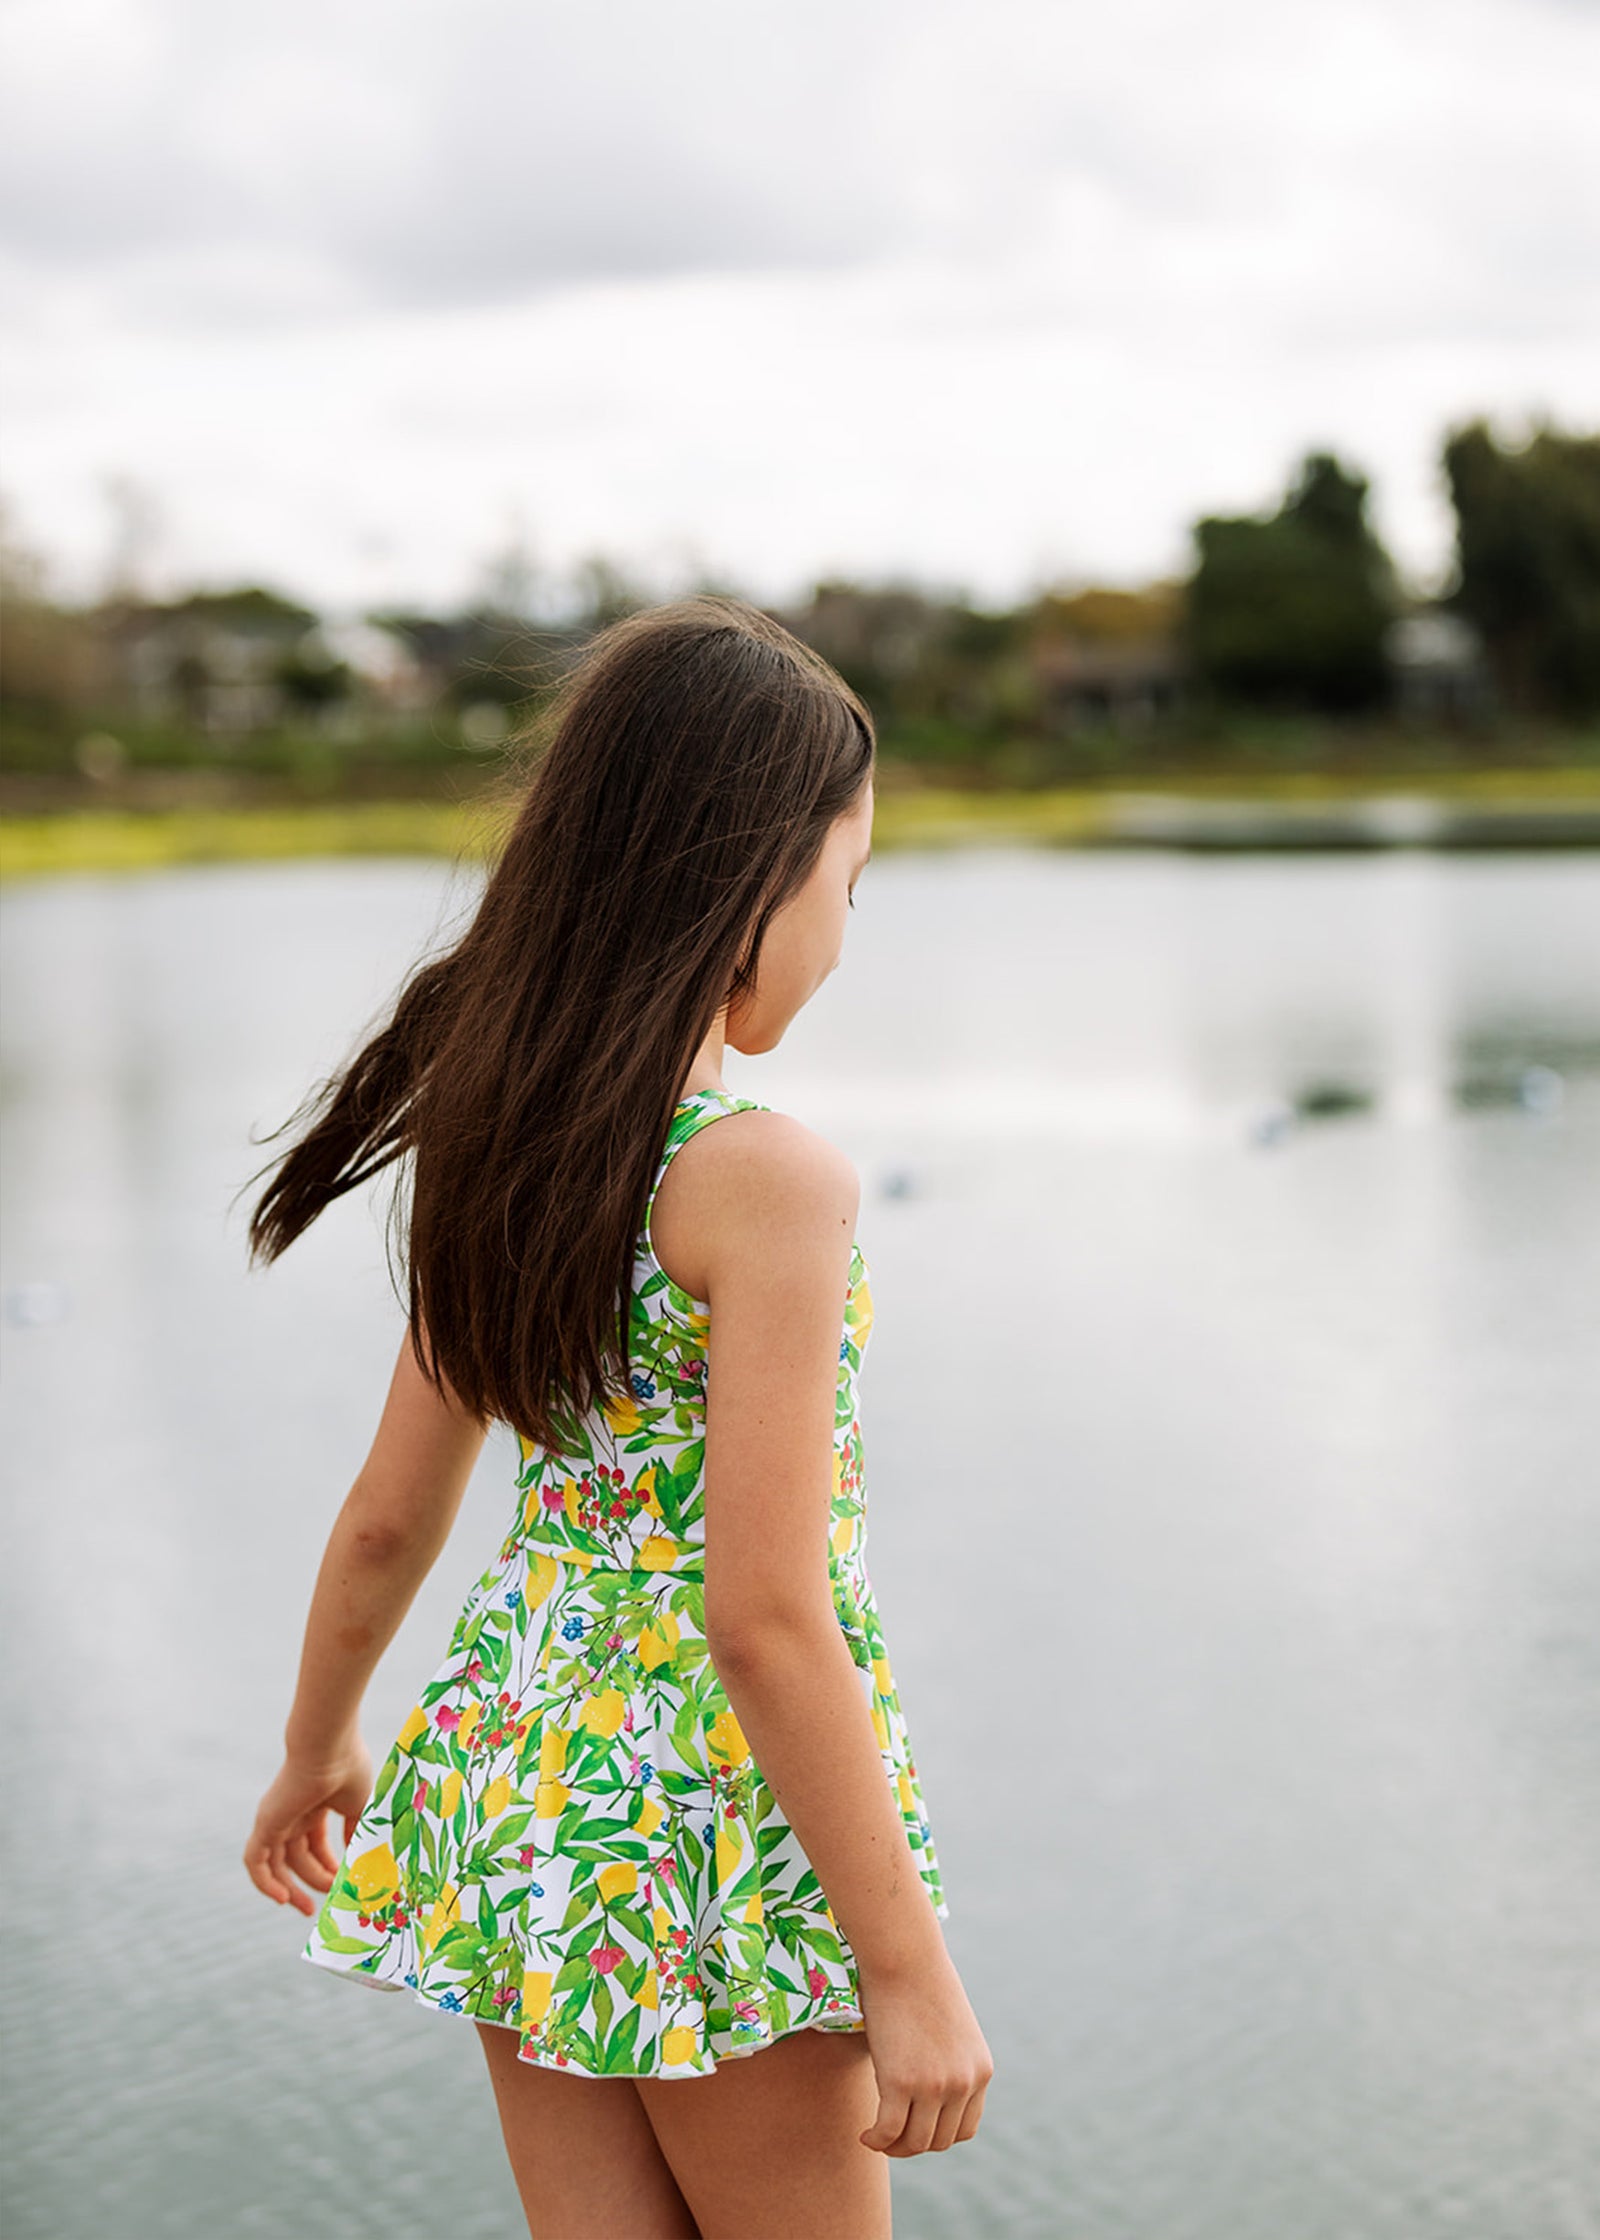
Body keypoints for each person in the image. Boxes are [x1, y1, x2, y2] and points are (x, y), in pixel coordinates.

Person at [241, 595, 992, 2239]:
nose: (846, 934)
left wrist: (318, 1745)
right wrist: (908, 1968)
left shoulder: (507, 1143)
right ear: (751, 882)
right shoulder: (765, 1180)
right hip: (710, 1828)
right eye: (845, 886)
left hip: (527, 1794)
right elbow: (763, 1611)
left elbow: (389, 1510)